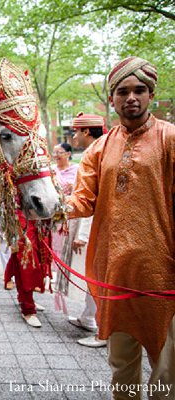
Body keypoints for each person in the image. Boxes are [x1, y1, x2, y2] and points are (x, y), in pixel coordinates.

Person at [67, 56, 174, 399]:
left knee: (167, 370)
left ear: (151, 94)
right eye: (123, 91)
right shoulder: (99, 148)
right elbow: (82, 201)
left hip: (164, 276)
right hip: (114, 272)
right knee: (122, 365)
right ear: (111, 99)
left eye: (140, 90)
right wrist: (51, 208)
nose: (132, 97)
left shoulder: (170, 139)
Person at [55, 113, 107, 348]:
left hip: (94, 225)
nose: (73, 136)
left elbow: (93, 199)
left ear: (86, 132)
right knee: (91, 274)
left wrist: (83, 234)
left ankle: (102, 330)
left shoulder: (97, 153)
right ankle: (88, 317)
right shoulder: (96, 151)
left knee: (97, 275)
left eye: (75, 132)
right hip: (87, 223)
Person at [5, 211, 52, 328]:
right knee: (26, 255)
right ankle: (28, 308)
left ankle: (25, 297)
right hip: (20, 211)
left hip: (41, 212)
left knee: (41, 253)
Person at [50, 143, 78, 274]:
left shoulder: (77, 170)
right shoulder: (51, 170)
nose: (55, 156)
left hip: (70, 213)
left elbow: (81, 189)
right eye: (54, 153)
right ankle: (54, 270)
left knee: (67, 242)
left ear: (68, 154)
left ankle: (67, 270)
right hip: (54, 213)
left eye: (59, 152)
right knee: (54, 241)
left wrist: (73, 188)